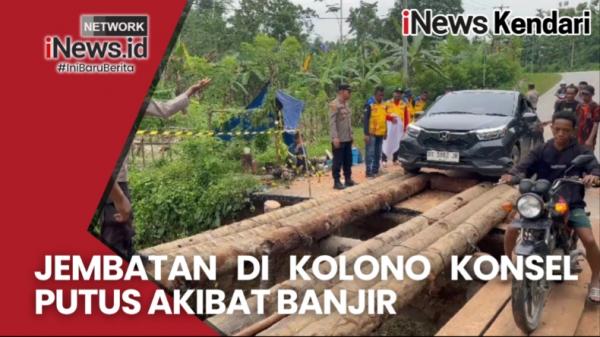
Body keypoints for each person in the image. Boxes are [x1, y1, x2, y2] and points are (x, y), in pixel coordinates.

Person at [499, 110, 600, 303]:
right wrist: (511, 174)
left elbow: (594, 166)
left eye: (566, 130)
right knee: (512, 229)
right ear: (551, 128)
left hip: (570, 202)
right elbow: (523, 166)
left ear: (573, 131)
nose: (561, 134)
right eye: (558, 129)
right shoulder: (541, 149)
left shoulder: (582, 151)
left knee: (588, 239)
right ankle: (507, 263)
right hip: (542, 201)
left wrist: (593, 175)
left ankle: (596, 279)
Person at [103, 78, 212, 258]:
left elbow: (165, 108)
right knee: (115, 223)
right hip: (114, 180)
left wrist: (190, 92)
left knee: (124, 220)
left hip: (120, 176)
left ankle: (127, 253)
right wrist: (119, 198)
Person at [329, 84, 356, 190]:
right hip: (339, 138)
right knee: (337, 161)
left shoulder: (346, 105)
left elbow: (348, 122)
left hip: (347, 137)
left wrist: (351, 134)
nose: (350, 93)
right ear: (341, 91)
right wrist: (335, 137)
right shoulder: (334, 104)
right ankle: (336, 181)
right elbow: (332, 122)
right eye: (348, 91)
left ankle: (348, 179)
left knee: (348, 160)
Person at [364, 86, 387, 177]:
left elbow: (384, 119)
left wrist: (386, 131)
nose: (380, 97)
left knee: (378, 152)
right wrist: (366, 133)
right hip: (371, 133)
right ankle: (368, 171)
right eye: (379, 95)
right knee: (370, 152)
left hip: (381, 133)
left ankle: (375, 170)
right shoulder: (369, 104)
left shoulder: (384, 105)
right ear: (375, 94)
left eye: (382, 95)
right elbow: (365, 119)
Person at [383, 88, 408, 164]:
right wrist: (390, 118)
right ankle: (384, 159)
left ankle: (395, 158)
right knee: (387, 141)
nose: (398, 95)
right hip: (389, 126)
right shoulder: (387, 103)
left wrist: (405, 128)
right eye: (397, 93)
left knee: (397, 141)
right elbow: (382, 114)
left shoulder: (404, 104)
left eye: (400, 93)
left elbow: (406, 117)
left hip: (399, 127)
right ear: (393, 93)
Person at [576, 85, 600, 150]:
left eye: (586, 94)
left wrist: (590, 139)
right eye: (582, 93)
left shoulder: (595, 107)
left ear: (592, 94)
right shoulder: (579, 106)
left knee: (587, 156)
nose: (584, 95)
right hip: (578, 136)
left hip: (588, 136)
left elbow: (596, 124)